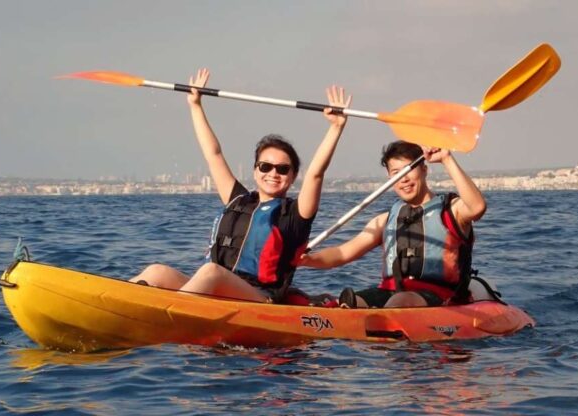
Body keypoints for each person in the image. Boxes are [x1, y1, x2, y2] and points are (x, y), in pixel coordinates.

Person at [129, 68, 351, 303]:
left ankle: (167, 316)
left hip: (260, 298)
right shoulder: (238, 200)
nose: (273, 173)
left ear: (293, 175)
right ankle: (120, 305)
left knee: (211, 272)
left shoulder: (295, 215)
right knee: (156, 271)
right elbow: (213, 154)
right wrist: (195, 105)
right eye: (265, 166)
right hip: (217, 290)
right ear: (255, 170)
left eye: (283, 169)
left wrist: (335, 127)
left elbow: (316, 173)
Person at [299, 141, 487, 308]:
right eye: (396, 173)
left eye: (409, 169)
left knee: (402, 301)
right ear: (389, 177)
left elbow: (477, 207)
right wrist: (307, 259)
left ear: (424, 169)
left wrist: (447, 159)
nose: (403, 179)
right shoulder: (384, 220)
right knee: (351, 301)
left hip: (440, 296)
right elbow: (343, 253)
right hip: (390, 293)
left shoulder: (451, 210)